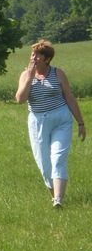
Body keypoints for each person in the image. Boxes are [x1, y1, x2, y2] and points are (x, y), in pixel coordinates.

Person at [15, 39, 86, 207]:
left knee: (58, 158)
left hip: (61, 119)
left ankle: (58, 200)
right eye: (32, 55)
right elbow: (20, 100)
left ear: (47, 59)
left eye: (38, 56)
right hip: (38, 121)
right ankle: (54, 194)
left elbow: (69, 97)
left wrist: (81, 123)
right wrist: (29, 78)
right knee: (44, 164)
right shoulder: (26, 75)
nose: (33, 58)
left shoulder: (58, 73)